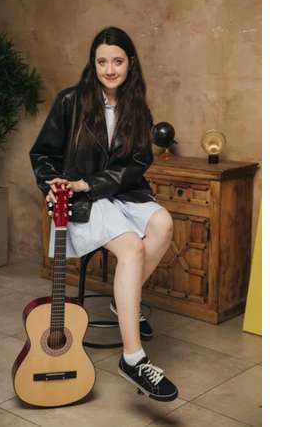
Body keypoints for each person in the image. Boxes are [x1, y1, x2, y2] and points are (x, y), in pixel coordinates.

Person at [29, 26, 178, 402]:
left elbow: (138, 163)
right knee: (132, 248)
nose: (109, 69)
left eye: (117, 61)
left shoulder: (137, 108)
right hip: (84, 200)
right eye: (102, 62)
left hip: (120, 191)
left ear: (131, 63)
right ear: (93, 64)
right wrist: (55, 185)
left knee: (164, 224)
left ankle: (124, 299)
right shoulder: (70, 101)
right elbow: (42, 154)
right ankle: (133, 358)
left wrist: (91, 182)